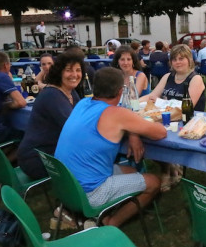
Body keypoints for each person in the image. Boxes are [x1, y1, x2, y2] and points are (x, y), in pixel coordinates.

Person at [55, 67, 166, 228]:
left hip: (65, 185)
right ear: (121, 91)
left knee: (132, 171)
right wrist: (134, 129)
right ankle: (111, 223)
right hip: (91, 192)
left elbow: (122, 119)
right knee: (154, 181)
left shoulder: (83, 103)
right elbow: (160, 133)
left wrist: (133, 133)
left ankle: (93, 213)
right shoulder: (116, 113)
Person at [140, 44, 206, 191]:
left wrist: (162, 107)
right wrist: (131, 102)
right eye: (174, 59)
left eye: (181, 58)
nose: (178, 62)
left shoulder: (195, 79)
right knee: (148, 134)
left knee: (157, 135)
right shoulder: (167, 77)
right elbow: (152, 97)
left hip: (189, 124)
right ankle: (168, 167)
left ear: (189, 60)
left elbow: (188, 106)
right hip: (166, 120)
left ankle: (172, 168)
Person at [17, 50, 84, 181]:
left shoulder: (70, 92)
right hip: (38, 159)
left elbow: (81, 119)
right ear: (59, 72)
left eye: (78, 70)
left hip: (52, 153)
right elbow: (75, 130)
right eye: (69, 70)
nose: (75, 75)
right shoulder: (52, 95)